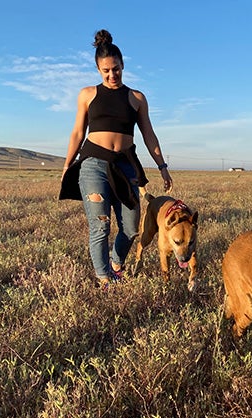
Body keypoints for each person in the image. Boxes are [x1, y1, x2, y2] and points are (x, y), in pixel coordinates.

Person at [59, 29, 173, 286]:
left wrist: (162, 166)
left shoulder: (136, 98)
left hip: (125, 165)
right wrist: (68, 165)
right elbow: (78, 132)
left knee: (132, 228)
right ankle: (104, 279)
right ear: (99, 70)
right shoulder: (88, 94)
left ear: (123, 65)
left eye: (116, 69)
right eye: (106, 71)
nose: (112, 75)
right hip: (93, 165)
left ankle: (116, 263)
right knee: (100, 225)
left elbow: (149, 135)